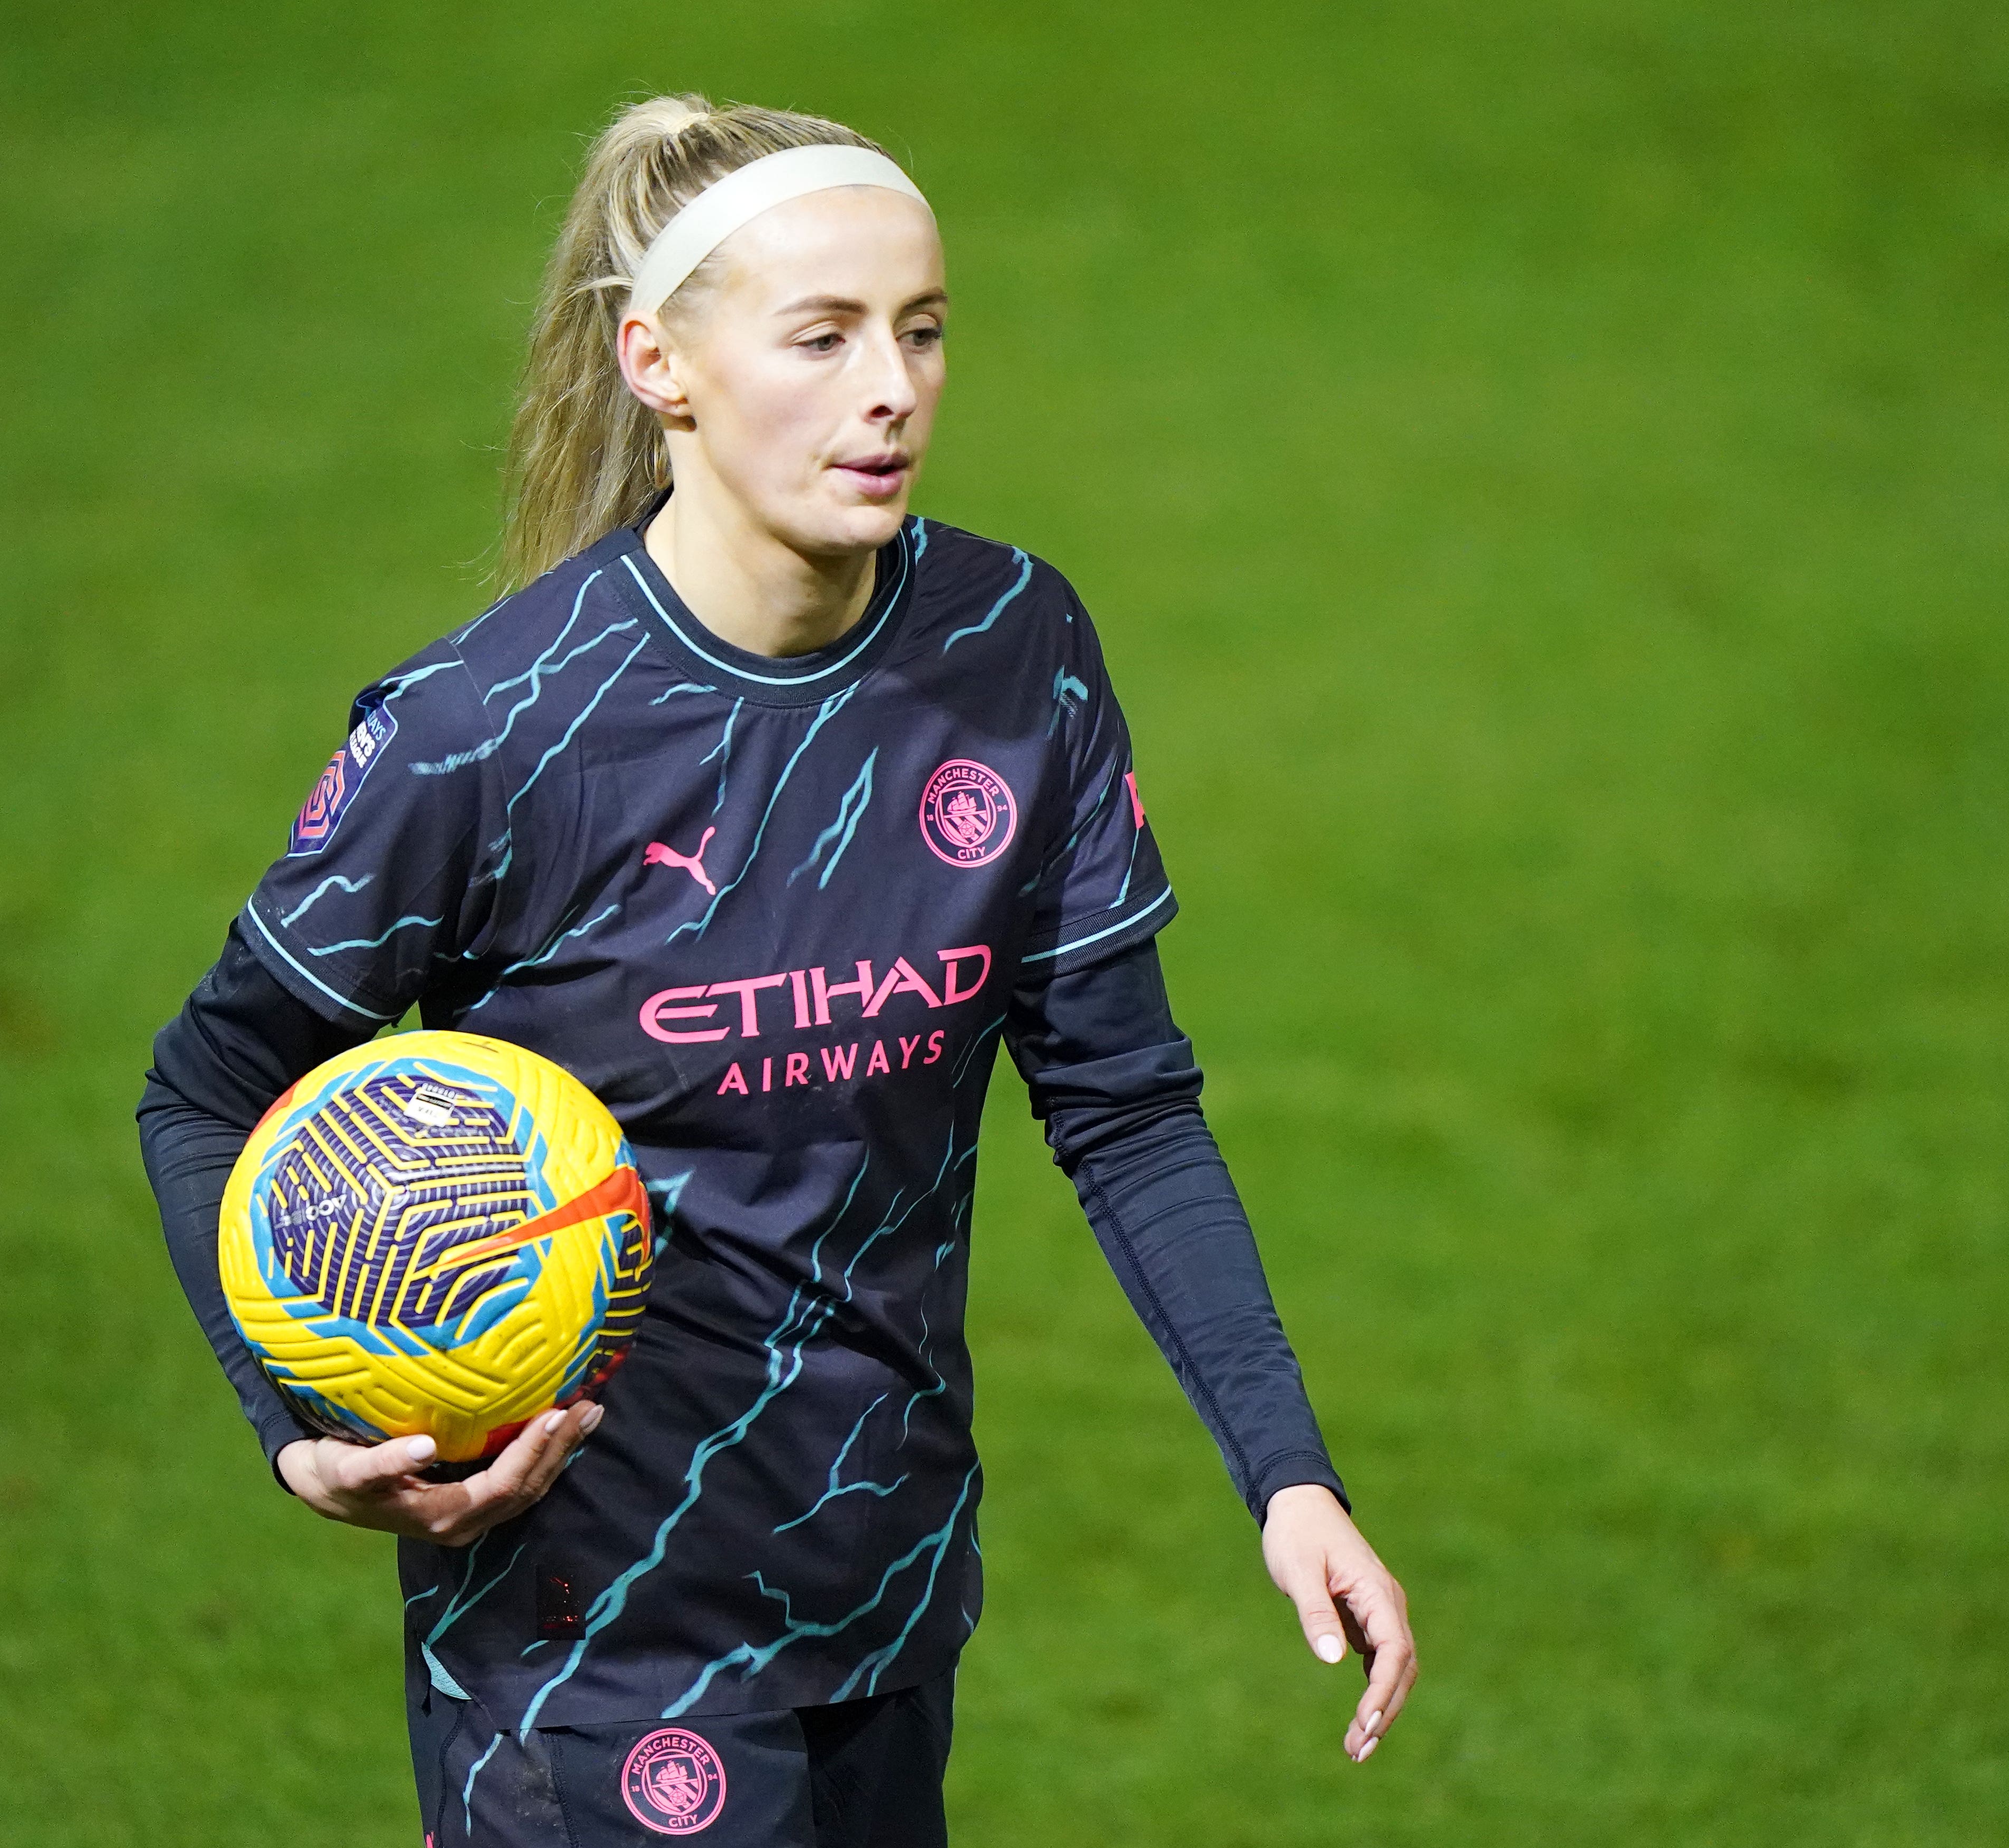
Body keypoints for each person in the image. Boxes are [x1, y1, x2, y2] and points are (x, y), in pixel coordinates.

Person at [138, 94, 1415, 1847]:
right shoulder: (485, 734)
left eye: (921, 328)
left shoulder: (1013, 650)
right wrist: (300, 1421)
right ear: (657, 362)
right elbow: (206, 1085)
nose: (890, 385)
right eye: (819, 337)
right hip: (581, 1645)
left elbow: (1123, 1105)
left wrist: (1288, 1476)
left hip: (883, 1595)